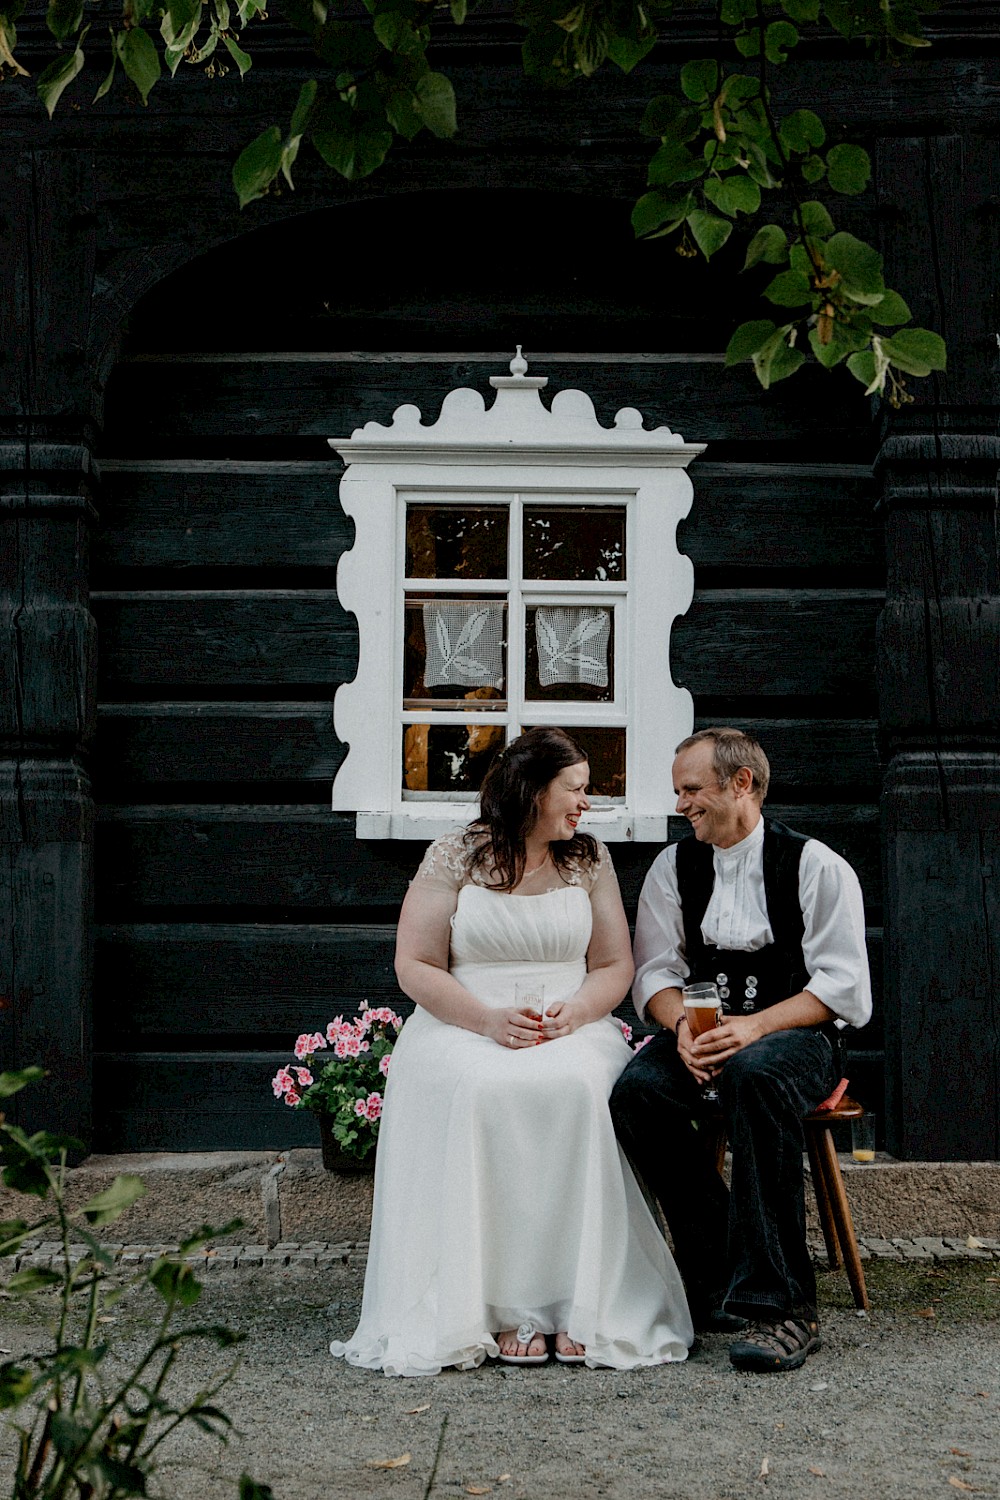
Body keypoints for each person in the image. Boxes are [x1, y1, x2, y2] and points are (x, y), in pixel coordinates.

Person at [330, 727, 692, 1376]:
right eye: (576, 789)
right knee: (483, 1090)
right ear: (531, 791)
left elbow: (614, 966)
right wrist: (487, 1021)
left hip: (570, 1020)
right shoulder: (454, 856)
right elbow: (414, 965)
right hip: (462, 1020)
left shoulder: (590, 860)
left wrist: (579, 1011)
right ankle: (498, 1307)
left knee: (583, 1089)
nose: (588, 803)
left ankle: (580, 1305)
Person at [610, 727, 871, 1374]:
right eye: (678, 791)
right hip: (706, 1032)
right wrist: (682, 1030)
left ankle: (785, 1308)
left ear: (741, 784)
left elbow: (842, 985)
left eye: (692, 789)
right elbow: (656, 973)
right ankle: (719, 1268)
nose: (681, 803)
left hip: (796, 1039)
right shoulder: (675, 867)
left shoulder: (816, 866)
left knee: (754, 1077)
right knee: (637, 1094)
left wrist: (754, 1029)